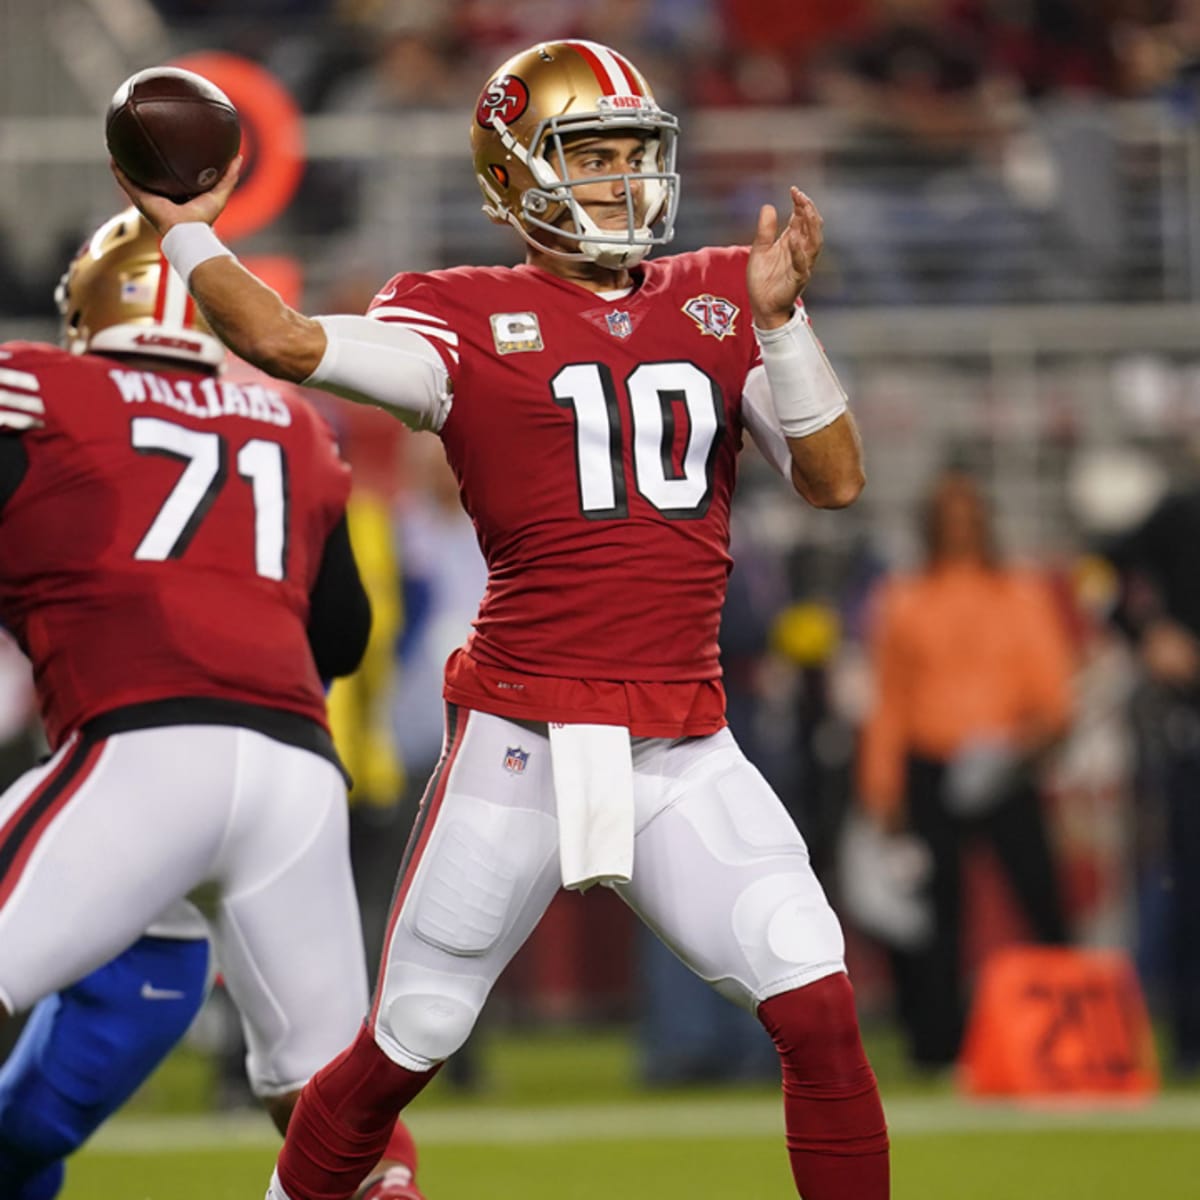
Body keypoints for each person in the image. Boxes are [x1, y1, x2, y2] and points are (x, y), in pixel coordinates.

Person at [116, 38, 889, 1200]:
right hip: (525, 739)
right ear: (515, 175)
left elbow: (832, 480)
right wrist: (184, 228)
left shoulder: (727, 292)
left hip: (685, 739)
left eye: (636, 155)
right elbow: (284, 340)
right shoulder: (458, 315)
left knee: (816, 996)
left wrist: (781, 325)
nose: (625, 183)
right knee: (407, 1040)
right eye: (592, 157)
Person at [0, 210, 424, 1200]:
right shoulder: (297, 426)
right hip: (294, 772)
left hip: (140, 755)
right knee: (337, 1119)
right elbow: (344, 639)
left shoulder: (37, 390)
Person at [857, 467, 1074, 1070]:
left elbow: (1052, 688)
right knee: (932, 918)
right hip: (930, 765)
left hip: (1005, 765)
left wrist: (1026, 743)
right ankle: (937, 1047)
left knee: (1042, 901)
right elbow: (890, 699)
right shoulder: (904, 599)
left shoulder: (1020, 592)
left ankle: (1068, 1033)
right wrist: (882, 788)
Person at [1102, 481, 1200, 1076]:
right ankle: (1192, 1043)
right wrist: (1148, 634)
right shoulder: (1182, 512)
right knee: (1188, 888)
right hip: (1189, 724)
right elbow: (1101, 576)